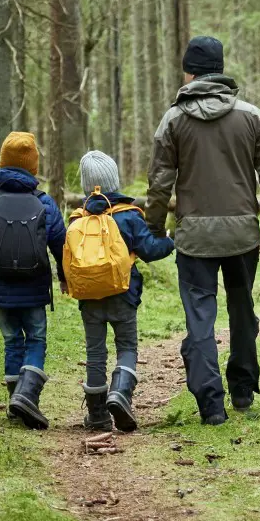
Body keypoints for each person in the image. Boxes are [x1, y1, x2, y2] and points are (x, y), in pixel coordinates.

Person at [147, 36, 260, 426]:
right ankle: (242, 390)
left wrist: (155, 228)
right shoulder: (252, 117)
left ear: (189, 72)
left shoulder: (173, 120)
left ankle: (211, 405)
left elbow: (159, 183)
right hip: (243, 235)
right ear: (220, 70)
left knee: (200, 320)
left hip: (193, 239)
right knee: (242, 311)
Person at [0, 131, 67, 430]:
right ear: (33, 166)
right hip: (35, 288)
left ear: (2, 163)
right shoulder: (45, 203)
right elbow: (62, 245)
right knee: (35, 339)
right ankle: (27, 397)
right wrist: (65, 278)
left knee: (12, 341)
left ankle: (16, 403)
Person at [72, 150, 174, 432]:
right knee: (126, 347)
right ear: (114, 181)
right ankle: (120, 394)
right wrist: (172, 240)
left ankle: (97, 416)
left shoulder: (77, 219)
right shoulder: (128, 216)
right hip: (123, 294)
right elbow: (151, 251)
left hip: (89, 298)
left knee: (95, 353)